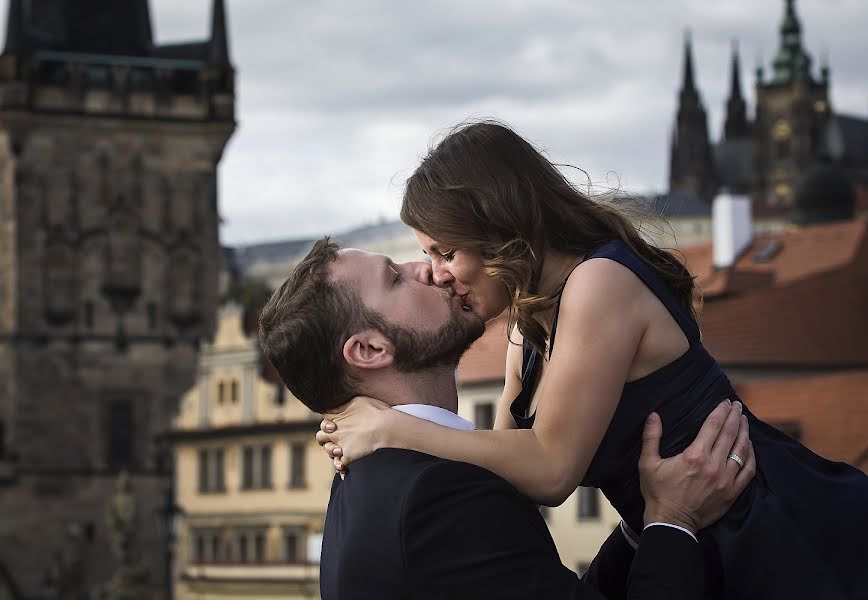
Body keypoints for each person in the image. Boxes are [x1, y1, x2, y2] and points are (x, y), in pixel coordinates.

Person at [317, 121, 868, 599]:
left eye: (443, 251)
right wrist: (361, 427)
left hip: (769, 526)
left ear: (498, 226)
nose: (435, 271)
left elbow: (552, 469)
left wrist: (391, 430)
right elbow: (506, 474)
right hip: (697, 535)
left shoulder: (598, 282)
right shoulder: (526, 328)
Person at [258, 239, 755, 600]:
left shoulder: (367, 485)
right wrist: (673, 523)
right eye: (395, 277)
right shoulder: (435, 498)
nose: (426, 269)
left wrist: (642, 524)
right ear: (369, 349)